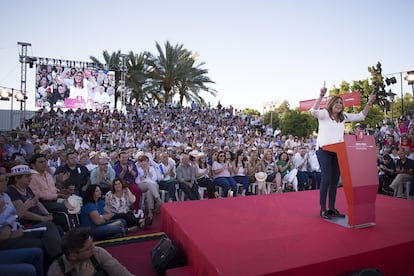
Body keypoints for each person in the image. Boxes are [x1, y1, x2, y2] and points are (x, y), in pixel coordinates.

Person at [310, 85, 375, 219]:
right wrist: (321, 95)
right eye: (336, 102)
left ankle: (332, 208)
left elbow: (361, 116)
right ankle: (323, 208)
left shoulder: (344, 116)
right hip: (324, 149)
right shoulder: (325, 114)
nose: (339, 105)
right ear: (331, 104)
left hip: (338, 151)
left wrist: (369, 102)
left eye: (341, 103)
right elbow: (313, 111)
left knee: (335, 180)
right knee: (326, 178)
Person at [47, 227, 134, 276]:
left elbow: (121, 273)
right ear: (73, 255)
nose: (94, 248)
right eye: (89, 248)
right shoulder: (56, 271)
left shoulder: (98, 253)